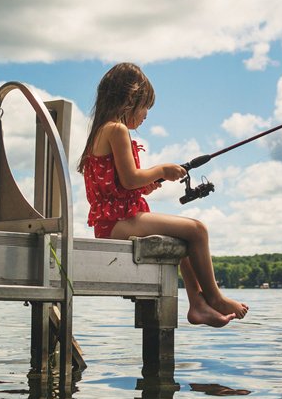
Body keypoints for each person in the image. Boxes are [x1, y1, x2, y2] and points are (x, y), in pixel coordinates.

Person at [78, 62, 247, 327]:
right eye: (145, 106)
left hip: (111, 221)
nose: (145, 115)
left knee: (181, 238)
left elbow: (120, 184)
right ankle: (214, 297)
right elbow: (131, 178)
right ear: (131, 98)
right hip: (116, 223)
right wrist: (161, 170)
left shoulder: (100, 131)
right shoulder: (117, 130)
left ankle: (197, 304)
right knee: (198, 230)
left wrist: (145, 186)